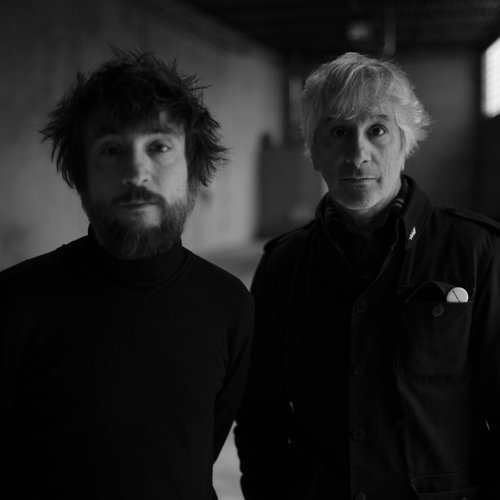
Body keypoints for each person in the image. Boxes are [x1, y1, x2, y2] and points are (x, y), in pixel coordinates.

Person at [234, 52, 500, 499]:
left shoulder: (476, 251)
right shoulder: (283, 265)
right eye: (337, 132)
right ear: (314, 151)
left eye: (377, 130)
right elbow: (261, 415)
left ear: (405, 142)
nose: (357, 155)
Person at [0, 49, 253, 499]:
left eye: (159, 147)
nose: (137, 172)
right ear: (81, 176)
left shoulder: (229, 304)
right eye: (112, 150)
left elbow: (201, 449)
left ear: (193, 169)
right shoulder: (16, 302)